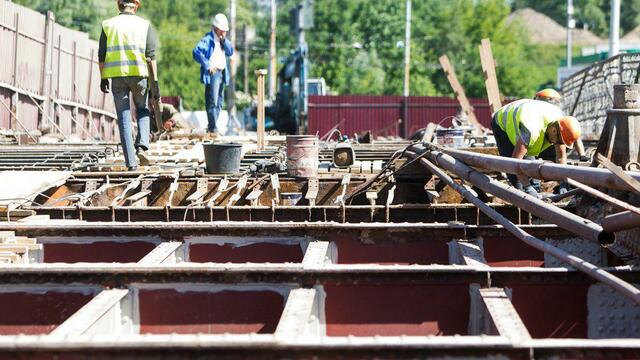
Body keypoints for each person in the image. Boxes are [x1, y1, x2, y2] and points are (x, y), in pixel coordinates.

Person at [98, 0, 158, 171]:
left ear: (119, 5)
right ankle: (142, 146)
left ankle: (131, 164)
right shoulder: (144, 25)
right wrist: (155, 84)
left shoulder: (108, 25)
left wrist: (103, 78)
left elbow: (101, 56)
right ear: (136, 5)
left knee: (124, 117)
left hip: (117, 78)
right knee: (143, 109)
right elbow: (151, 57)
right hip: (139, 76)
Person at [492, 99, 581, 198]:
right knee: (517, 181)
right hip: (503, 121)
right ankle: (523, 194)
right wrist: (527, 187)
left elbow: (560, 157)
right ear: (554, 130)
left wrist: (564, 181)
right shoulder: (531, 131)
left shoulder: (561, 124)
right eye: (560, 141)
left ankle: (534, 187)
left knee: (542, 154)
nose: (560, 144)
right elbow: (515, 161)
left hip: (531, 113)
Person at [192, 13, 234, 134]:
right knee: (212, 101)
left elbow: (230, 51)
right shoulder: (207, 39)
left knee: (220, 102)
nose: (224, 32)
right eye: (222, 30)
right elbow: (196, 52)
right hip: (213, 74)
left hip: (222, 73)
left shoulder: (222, 40)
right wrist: (207, 64)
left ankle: (212, 126)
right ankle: (213, 127)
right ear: (216, 28)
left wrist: (224, 40)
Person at [535, 88, 588, 161]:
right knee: (566, 134)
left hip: (544, 149)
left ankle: (582, 155)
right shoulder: (556, 112)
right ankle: (582, 155)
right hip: (545, 149)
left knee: (570, 132)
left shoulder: (555, 113)